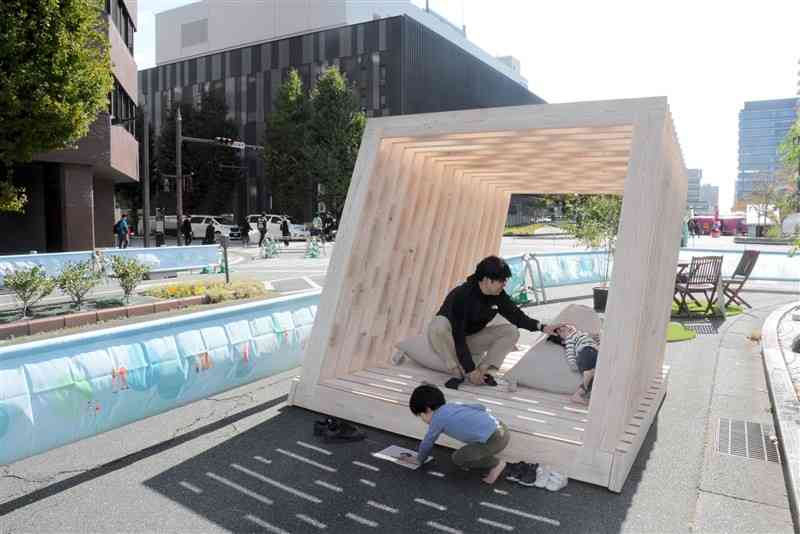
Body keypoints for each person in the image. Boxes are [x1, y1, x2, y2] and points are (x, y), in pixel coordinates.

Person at [428, 255, 558, 387]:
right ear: (486, 280)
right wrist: (469, 370)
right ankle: (456, 371)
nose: (504, 284)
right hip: (451, 341)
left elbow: (517, 316)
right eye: (501, 280)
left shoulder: (498, 295)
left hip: (472, 341)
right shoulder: (462, 295)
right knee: (438, 325)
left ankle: (485, 371)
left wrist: (543, 327)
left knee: (511, 331)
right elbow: (458, 337)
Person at [407, 384, 514, 484]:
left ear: (427, 409)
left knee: (459, 458)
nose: (422, 420)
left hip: (494, 440)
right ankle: (487, 451)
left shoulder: (437, 419)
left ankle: (496, 464)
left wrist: (419, 459)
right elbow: (480, 407)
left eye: (421, 416)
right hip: (502, 429)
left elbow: (428, 442)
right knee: (473, 449)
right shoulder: (452, 405)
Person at [548, 324, 600, 404]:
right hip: (586, 352)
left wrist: (597, 338)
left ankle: (579, 394)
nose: (566, 328)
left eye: (566, 326)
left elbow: (596, 339)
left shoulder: (583, 334)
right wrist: (573, 364)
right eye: (562, 331)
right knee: (590, 373)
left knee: (592, 378)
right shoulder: (570, 339)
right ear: (563, 341)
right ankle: (581, 391)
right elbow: (570, 352)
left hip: (594, 352)